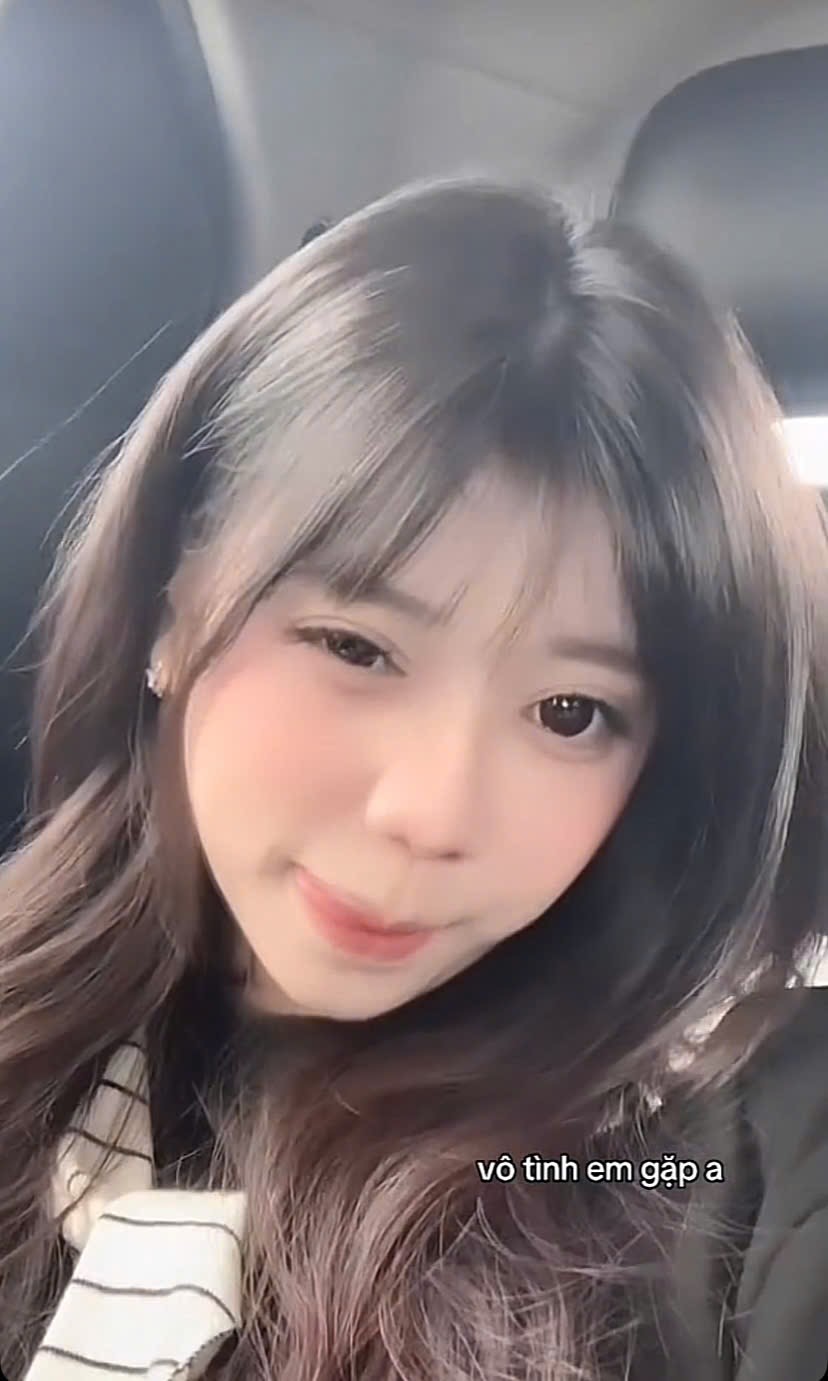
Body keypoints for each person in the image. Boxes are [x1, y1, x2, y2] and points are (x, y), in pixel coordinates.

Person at [0, 175, 826, 1381]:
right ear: (173, 607)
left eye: (570, 713)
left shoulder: (707, 1152)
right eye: (355, 646)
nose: (432, 814)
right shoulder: (30, 1011)